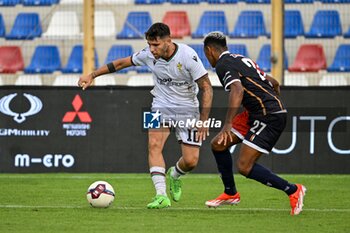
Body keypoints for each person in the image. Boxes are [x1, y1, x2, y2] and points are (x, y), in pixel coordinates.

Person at [78, 23, 213, 209]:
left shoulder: (188, 56)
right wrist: (92, 75)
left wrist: (204, 121)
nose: (152, 49)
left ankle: (175, 175)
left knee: (191, 161)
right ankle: (161, 195)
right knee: (154, 145)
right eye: (149, 44)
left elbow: (206, 87)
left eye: (155, 45)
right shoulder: (148, 55)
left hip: (188, 108)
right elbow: (120, 64)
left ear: (168, 41)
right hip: (159, 104)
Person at [202, 31, 306, 215]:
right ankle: (230, 193)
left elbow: (237, 90)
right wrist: (272, 100)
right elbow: (274, 82)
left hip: (267, 115)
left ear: (209, 50)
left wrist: (228, 123)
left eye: (206, 54)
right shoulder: (241, 59)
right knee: (218, 145)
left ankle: (293, 190)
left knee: (245, 166)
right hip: (258, 112)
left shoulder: (222, 64)